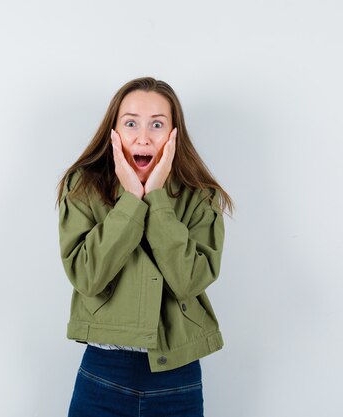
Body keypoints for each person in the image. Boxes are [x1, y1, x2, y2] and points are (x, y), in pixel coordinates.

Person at [55, 76, 234, 417]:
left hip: (177, 372)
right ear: (114, 130)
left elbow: (189, 282)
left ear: (173, 134)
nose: (143, 136)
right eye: (131, 122)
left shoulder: (200, 195)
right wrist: (131, 202)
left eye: (157, 124)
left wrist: (156, 198)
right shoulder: (83, 186)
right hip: (105, 371)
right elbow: (87, 277)